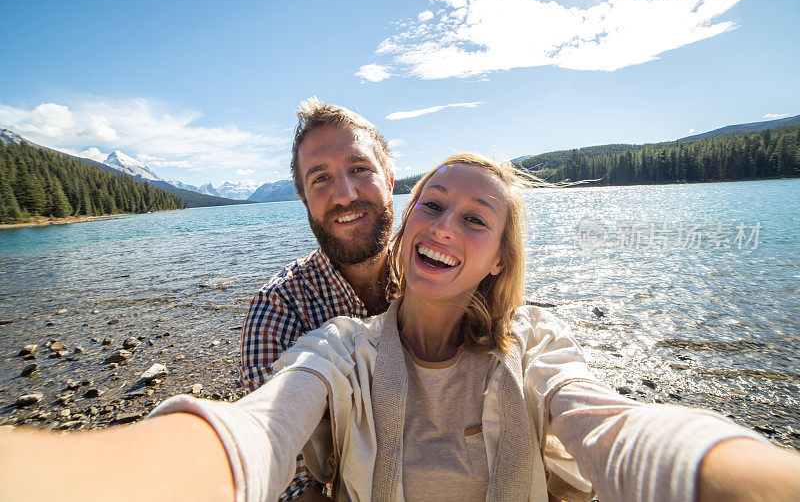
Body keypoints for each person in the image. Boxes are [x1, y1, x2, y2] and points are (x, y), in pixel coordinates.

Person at [2, 154, 800, 502]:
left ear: (496, 259)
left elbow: (624, 435)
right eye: (432, 202)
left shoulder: (538, 349)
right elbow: (259, 429)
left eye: (475, 217)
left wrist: (738, 475)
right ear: (407, 219)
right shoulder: (339, 345)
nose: (444, 223)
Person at [238, 97, 398, 500]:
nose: (344, 195)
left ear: (391, 179)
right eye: (320, 179)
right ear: (304, 198)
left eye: (360, 169)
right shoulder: (279, 309)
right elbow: (285, 475)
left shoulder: (440, 270)